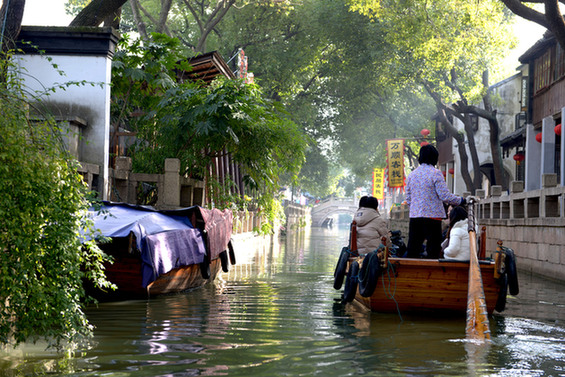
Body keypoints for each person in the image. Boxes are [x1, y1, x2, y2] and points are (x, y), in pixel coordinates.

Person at [405, 144, 466, 259]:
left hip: (415, 217)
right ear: (434, 158)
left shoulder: (412, 175)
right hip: (433, 217)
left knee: (413, 248)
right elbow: (445, 196)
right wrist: (461, 200)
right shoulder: (435, 173)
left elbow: (408, 198)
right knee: (433, 249)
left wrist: (417, 208)